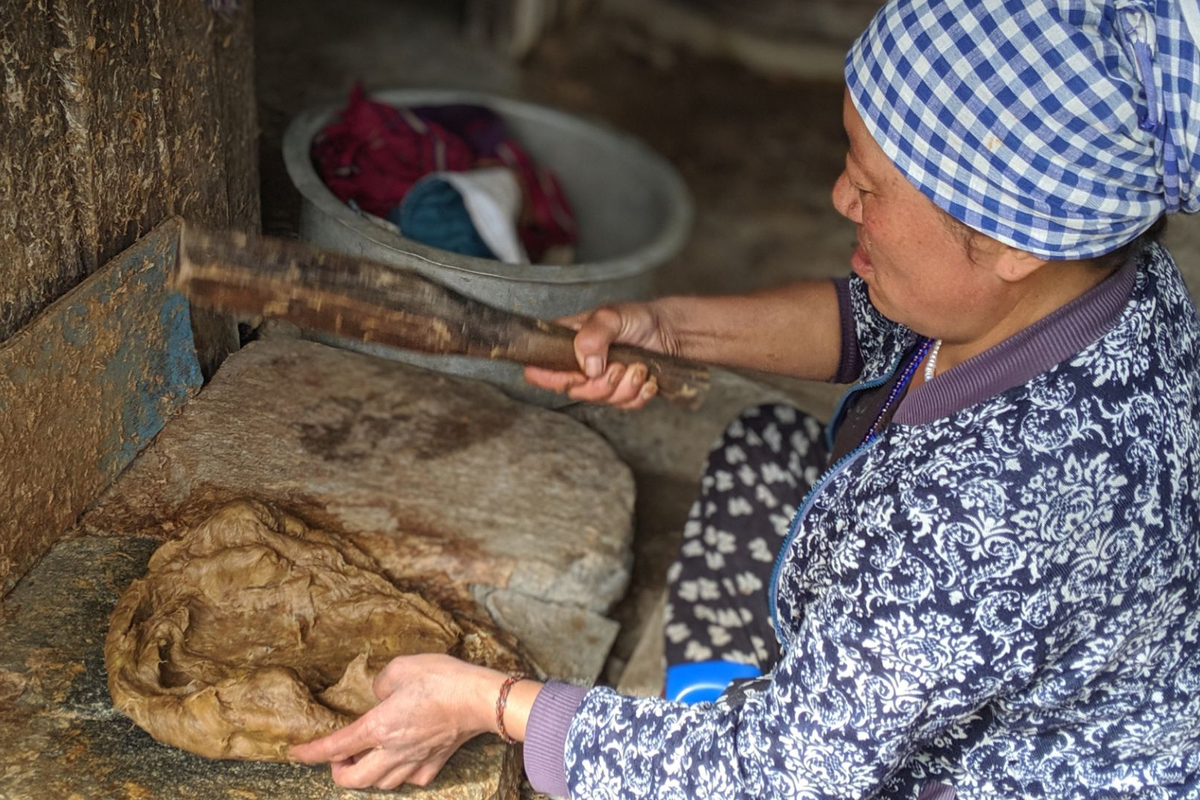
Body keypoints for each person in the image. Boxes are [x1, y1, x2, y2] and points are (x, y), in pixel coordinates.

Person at [290, 0, 1200, 796]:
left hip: (999, 769)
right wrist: (672, 329)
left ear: (1014, 243)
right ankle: (740, 721)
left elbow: (785, 779)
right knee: (765, 445)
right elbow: (887, 324)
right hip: (988, 658)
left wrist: (486, 705)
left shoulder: (999, 510)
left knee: (746, 768)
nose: (841, 196)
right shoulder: (1103, 278)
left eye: (875, 189)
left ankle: (720, 738)